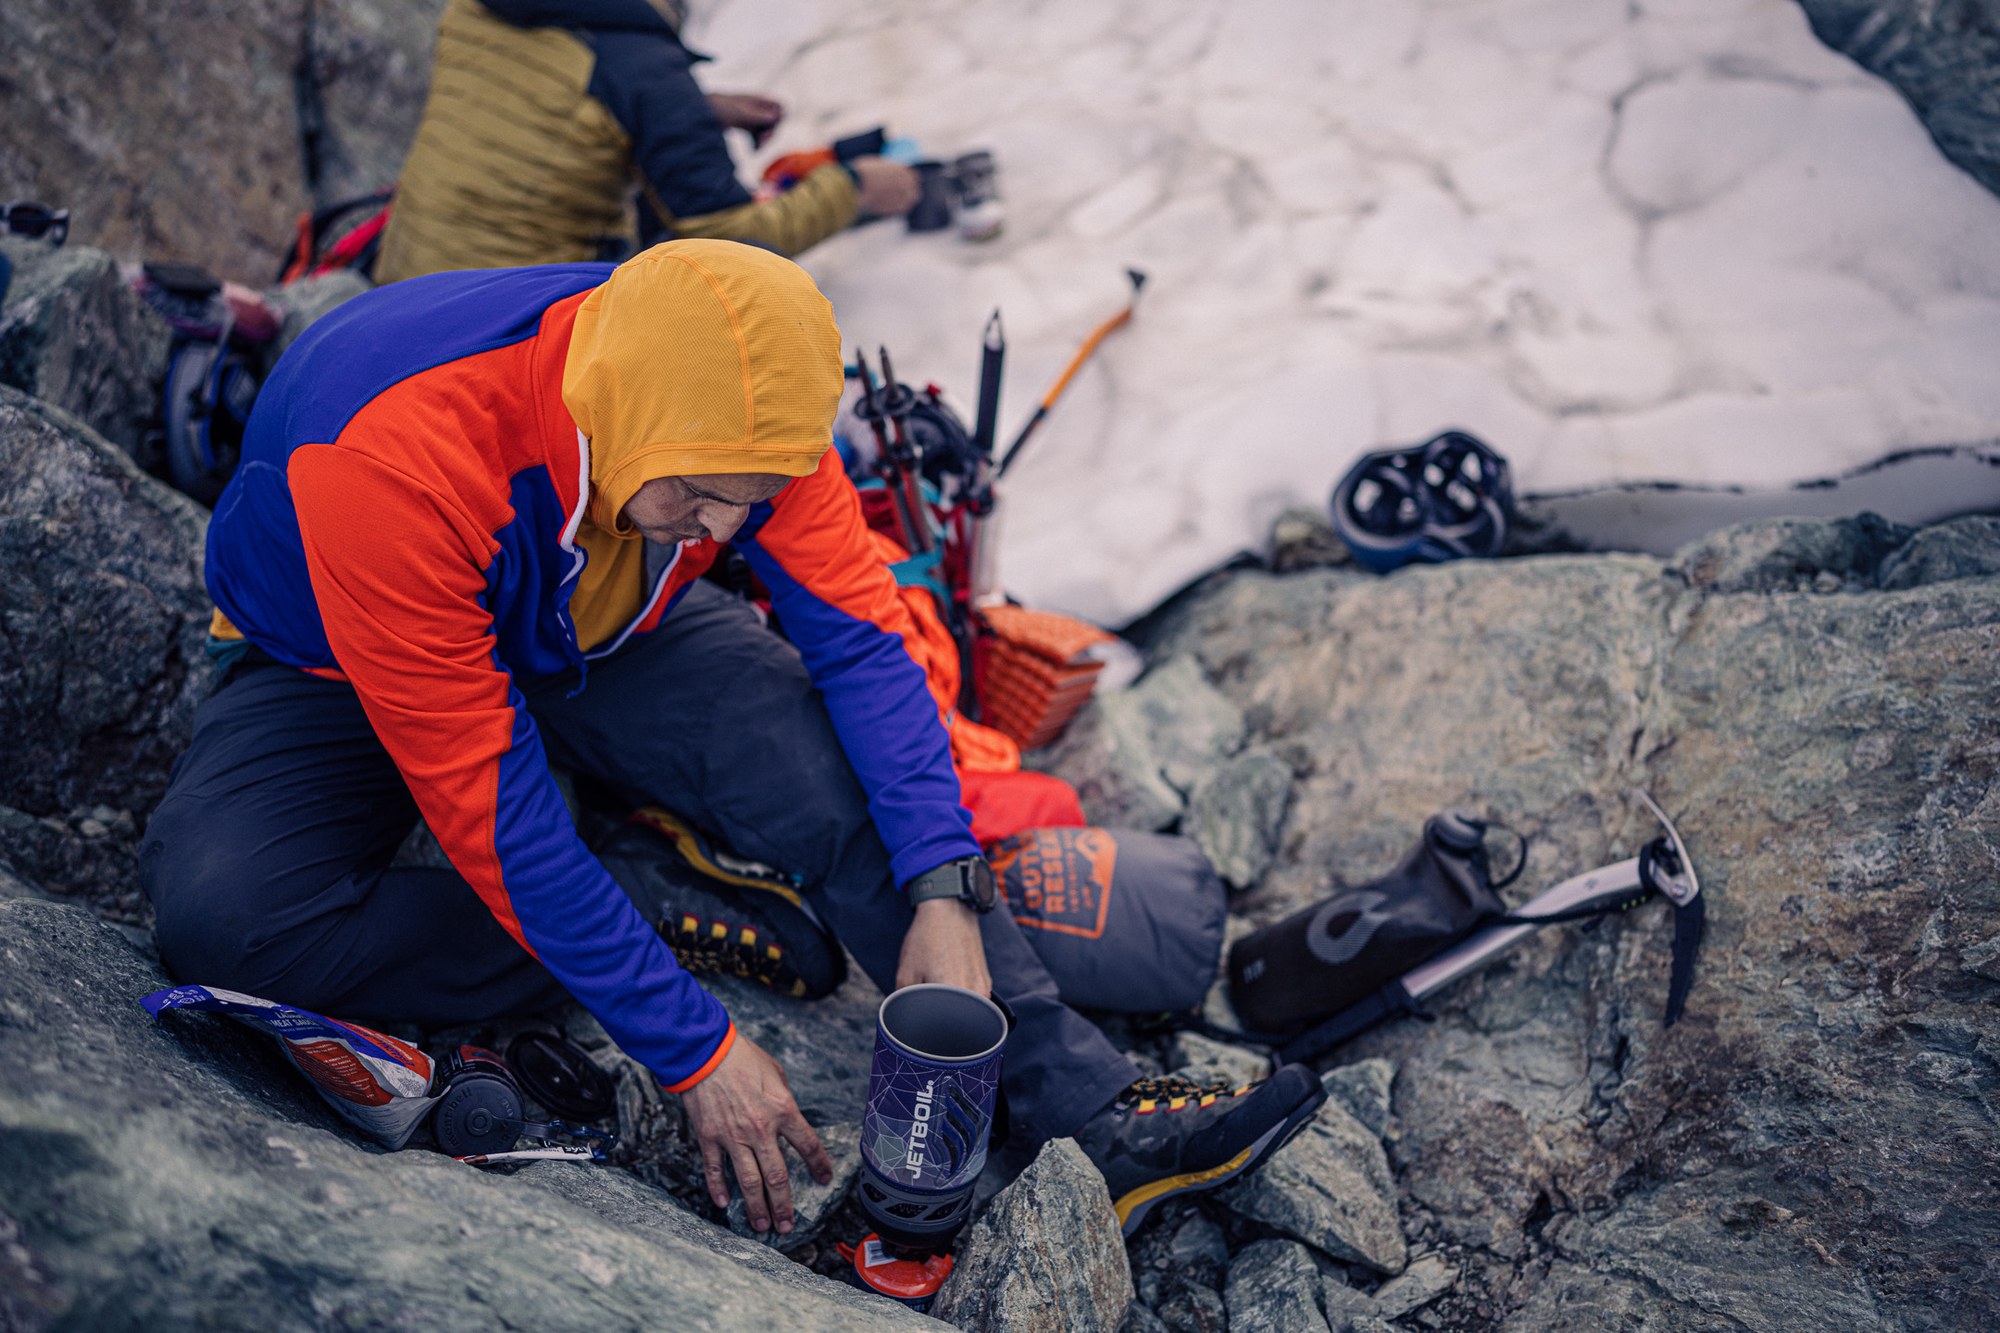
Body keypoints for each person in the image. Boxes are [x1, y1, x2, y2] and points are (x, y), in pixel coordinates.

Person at [139, 240, 1325, 1239]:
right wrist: (693, 1048)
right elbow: (491, 808)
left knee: (834, 777)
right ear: (628, 412)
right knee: (228, 921)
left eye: (748, 502)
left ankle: (1087, 1109)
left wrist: (943, 884)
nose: (724, 527)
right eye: (700, 497)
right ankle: (641, 899)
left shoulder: (749, 399)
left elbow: (863, 642)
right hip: (338, 661)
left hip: (606, 624)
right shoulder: (391, 454)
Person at [373, 0, 918, 283]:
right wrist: (854, 188)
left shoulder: (477, 8)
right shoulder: (646, 73)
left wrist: (690, 108)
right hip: (507, 331)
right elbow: (729, 240)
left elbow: (544, 93)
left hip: (399, 284)